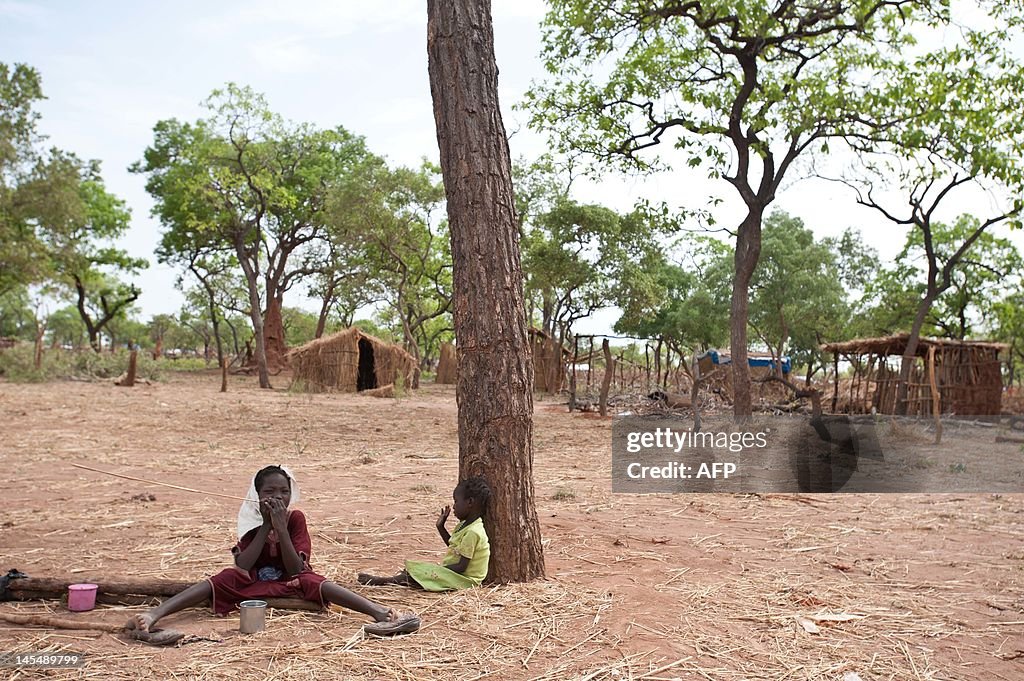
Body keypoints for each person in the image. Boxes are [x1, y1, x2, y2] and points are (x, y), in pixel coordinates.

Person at [125, 465, 419, 636]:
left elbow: (295, 569)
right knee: (224, 577)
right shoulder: (251, 520)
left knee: (314, 581)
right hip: (253, 584)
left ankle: (382, 614)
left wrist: (281, 527)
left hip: (290, 582)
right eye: (269, 492)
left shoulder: (295, 519)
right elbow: (244, 565)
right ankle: (155, 614)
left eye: (283, 492)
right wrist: (266, 526)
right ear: (257, 495)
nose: (277, 497)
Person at [357, 477, 491, 591]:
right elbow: (455, 548)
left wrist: (437, 569)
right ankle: (398, 579)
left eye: (456, 501)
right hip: (459, 575)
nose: (454, 506)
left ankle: (382, 581)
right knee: (414, 572)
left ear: (470, 502)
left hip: (466, 581)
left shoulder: (474, 532)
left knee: (415, 574)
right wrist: (441, 527)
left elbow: (462, 567)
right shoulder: (465, 525)